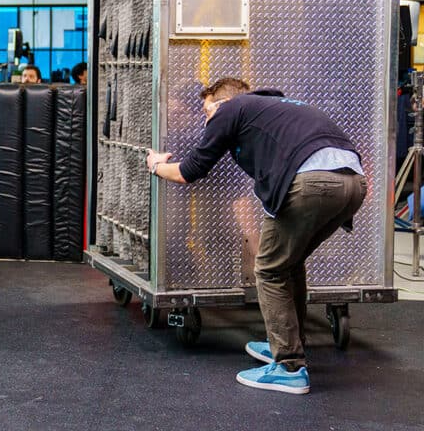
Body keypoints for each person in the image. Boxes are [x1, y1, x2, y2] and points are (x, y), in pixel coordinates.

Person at [145, 78, 366, 395]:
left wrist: (156, 165)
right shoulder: (278, 107)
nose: (206, 117)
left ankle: (289, 366)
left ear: (220, 102)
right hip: (353, 183)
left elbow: (188, 172)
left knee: (269, 269)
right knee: (290, 262)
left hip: (312, 182)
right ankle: (290, 343)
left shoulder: (230, 108)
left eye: (206, 108)